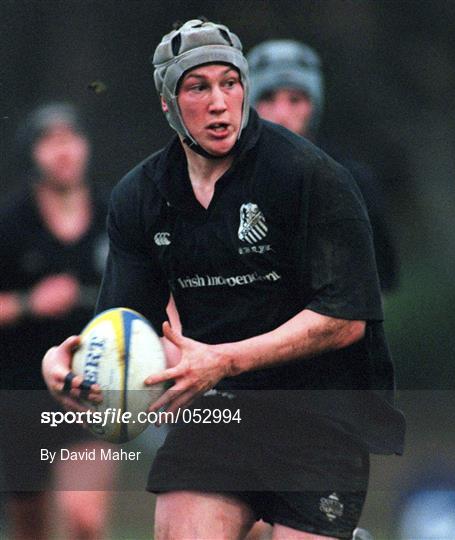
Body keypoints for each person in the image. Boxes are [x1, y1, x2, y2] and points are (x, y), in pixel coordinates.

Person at [42, 19, 405, 540]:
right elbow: (125, 327)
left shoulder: (312, 176)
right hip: (218, 414)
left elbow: (346, 319)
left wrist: (225, 358)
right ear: (168, 103)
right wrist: (69, 363)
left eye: (229, 83)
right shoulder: (141, 196)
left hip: (322, 419)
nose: (219, 102)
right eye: (198, 87)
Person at [0, 103, 115, 539]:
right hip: (21, 396)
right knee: (31, 531)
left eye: (71, 139)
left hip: (91, 392)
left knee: (84, 520)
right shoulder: (11, 223)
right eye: (50, 141)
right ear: (31, 153)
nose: (64, 152)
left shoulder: (114, 215)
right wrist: (31, 302)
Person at [247, 39, 399, 294]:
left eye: (295, 99)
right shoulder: (223, 184)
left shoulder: (352, 182)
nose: (281, 114)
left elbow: (379, 283)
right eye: (268, 99)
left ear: (313, 105)